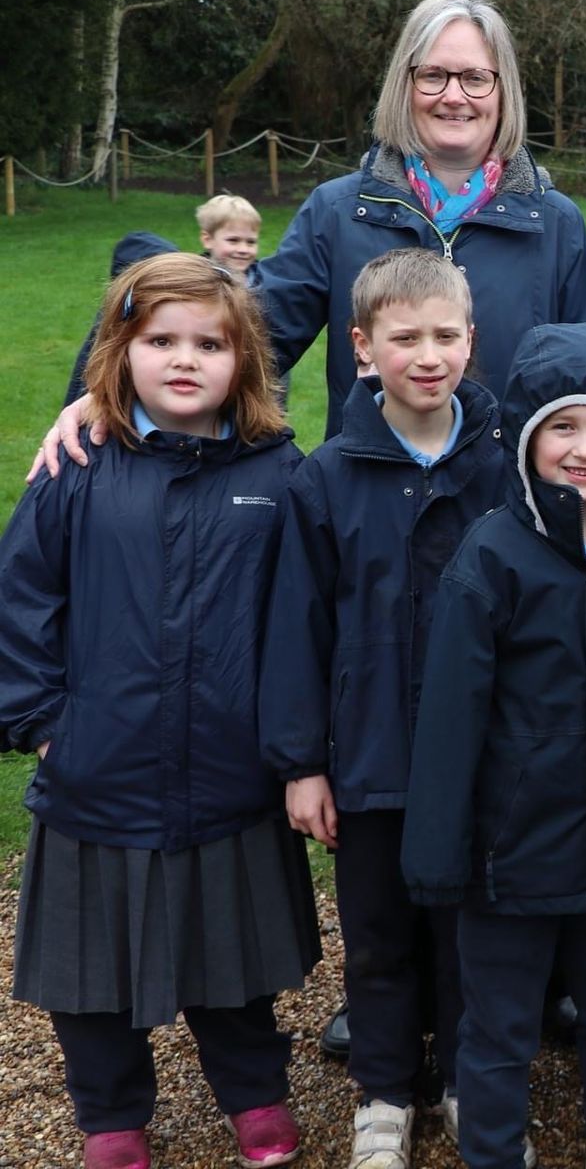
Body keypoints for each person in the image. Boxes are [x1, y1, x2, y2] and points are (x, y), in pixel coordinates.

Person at [1, 254, 319, 1169]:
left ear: (244, 358)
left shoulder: (277, 474)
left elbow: (303, 617)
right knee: (91, 969)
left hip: (230, 768)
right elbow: (23, 599)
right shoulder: (79, 463)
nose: (185, 360)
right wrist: (44, 721)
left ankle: (255, 1095)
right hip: (100, 767)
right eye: (160, 341)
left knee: (234, 959)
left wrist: (289, 743)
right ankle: (109, 1115)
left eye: (209, 344)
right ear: (122, 351)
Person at [39, 0, 586, 471]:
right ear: (404, 86)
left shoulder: (555, 224)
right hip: (370, 512)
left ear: (502, 90)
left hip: (508, 516)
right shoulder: (338, 212)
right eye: (433, 74)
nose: (454, 95)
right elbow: (249, 336)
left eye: (475, 78)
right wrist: (116, 394)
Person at [399, 322, 586, 1169]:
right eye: (562, 428)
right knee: (500, 1021)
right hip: (512, 851)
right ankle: (492, 1146)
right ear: (526, 438)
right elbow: (448, 719)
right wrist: (439, 856)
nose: (585, 450)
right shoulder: (493, 558)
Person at [259, 248, 510, 1168]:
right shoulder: (325, 479)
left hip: (479, 756)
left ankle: (461, 1078)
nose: (429, 354)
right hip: (367, 756)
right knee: (376, 935)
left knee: (468, 932)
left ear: (471, 342)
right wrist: (301, 762)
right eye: (406, 338)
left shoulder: (507, 469)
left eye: (447, 335)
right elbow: (295, 631)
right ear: (363, 348)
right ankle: (384, 1091)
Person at [62, 195, 268, 407]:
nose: (242, 249)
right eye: (233, 240)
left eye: (250, 242)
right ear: (207, 239)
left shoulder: (268, 296)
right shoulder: (174, 289)